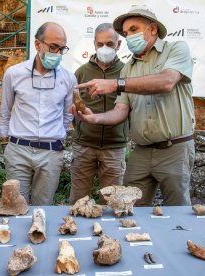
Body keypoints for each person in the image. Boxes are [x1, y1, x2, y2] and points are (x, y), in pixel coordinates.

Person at [73, 5, 195, 206]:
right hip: (141, 151)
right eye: (126, 32)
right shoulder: (128, 68)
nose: (129, 36)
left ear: (152, 29)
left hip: (175, 148)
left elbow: (167, 82)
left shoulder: (176, 49)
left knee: (178, 211)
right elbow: (121, 110)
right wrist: (93, 118)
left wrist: (114, 84)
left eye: (134, 29)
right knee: (126, 207)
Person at [0, 22, 76, 205]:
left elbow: (67, 115)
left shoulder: (68, 78)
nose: (57, 53)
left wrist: (55, 137)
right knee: (14, 205)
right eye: (53, 47)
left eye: (61, 49)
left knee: (44, 207)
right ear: (37, 44)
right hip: (18, 150)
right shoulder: (14, 74)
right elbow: (5, 111)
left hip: (50, 152)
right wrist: (5, 143)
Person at [69, 23, 128, 205]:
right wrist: (80, 126)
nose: (105, 48)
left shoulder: (127, 72)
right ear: (94, 44)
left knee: (111, 203)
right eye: (100, 43)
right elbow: (72, 105)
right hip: (84, 147)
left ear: (118, 45)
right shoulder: (81, 72)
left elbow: (130, 106)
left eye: (110, 44)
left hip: (114, 148)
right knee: (79, 201)